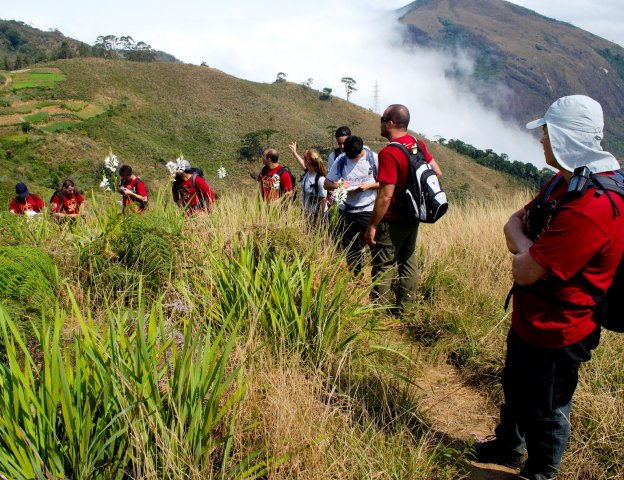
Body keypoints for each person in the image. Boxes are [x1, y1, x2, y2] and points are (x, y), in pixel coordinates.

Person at [471, 95, 624, 480]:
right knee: (515, 385)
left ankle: (540, 472)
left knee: (549, 406)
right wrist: (528, 248)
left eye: (546, 133)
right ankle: (508, 447)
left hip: (562, 328)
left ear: (564, 137)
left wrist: (525, 249)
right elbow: (513, 223)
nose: (541, 140)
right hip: (533, 315)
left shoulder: (592, 205)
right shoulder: (565, 182)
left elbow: (523, 269)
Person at [363, 104, 442, 312]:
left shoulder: (389, 153)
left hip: (393, 218)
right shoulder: (418, 144)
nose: (379, 123)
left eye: (381, 119)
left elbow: (386, 194)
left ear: (389, 124)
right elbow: (437, 172)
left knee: (383, 264)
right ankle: (407, 309)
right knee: (408, 259)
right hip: (413, 215)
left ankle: (377, 316)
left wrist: (372, 225)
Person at [325, 135, 379, 274]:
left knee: (374, 245)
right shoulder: (341, 159)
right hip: (346, 210)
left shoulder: (373, 158)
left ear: (361, 150)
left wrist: (370, 186)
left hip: (368, 210)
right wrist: (338, 185)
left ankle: (377, 279)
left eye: (355, 157)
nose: (352, 160)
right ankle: (356, 279)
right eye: (350, 157)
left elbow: (386, 183)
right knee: (349, 248)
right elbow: (326, 184)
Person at [288, 141, 328, 222]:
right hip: (305, 213)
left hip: (315, 216)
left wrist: (319, 222)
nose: (303, 160)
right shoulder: (308, 173)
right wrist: (295, 153)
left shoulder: (320, 180)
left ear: (308, 162)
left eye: (304, 158)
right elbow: (303, 165)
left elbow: (323, 201)